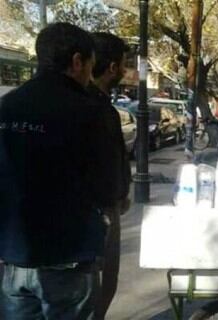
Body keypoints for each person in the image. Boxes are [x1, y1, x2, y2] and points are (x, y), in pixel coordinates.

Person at [0, 23, 108, 319]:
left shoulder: (7, 107)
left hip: (14, 257)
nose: (89, 75)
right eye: (90, 66)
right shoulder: (88, 111)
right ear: (77, 61)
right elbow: (106, 186)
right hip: (68, 255)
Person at [88, 32, 132, 320]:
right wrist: (116, 198)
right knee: (99, 286)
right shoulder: (97, 108)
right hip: (100, 211)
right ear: (112, 68)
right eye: (125, 64)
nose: (127, 71)